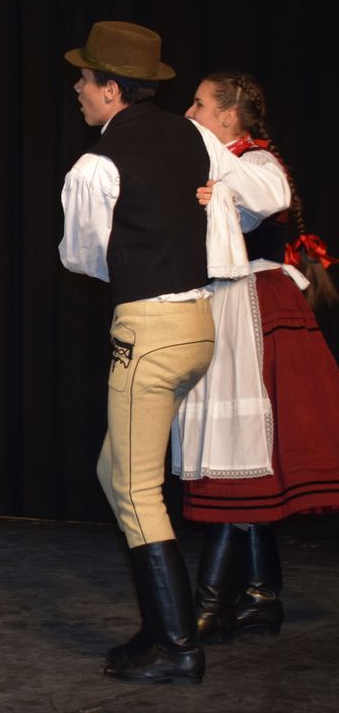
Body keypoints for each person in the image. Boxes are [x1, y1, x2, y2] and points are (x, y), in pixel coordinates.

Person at [59, 21, 290, 684]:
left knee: (136, 491)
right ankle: (161, 627)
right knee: (115, 471)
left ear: (111, 89)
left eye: (84, 79)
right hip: (198, 326)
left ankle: (180, 644)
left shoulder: (96, 165)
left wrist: (147, 249)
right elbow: (271, 193)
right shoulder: (193, 136)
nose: (78, 89)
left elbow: (83, 257)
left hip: (150, 329)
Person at [174, 72, 339, 644]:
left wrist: (215, 176)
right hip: (223, 305)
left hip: (254, 309)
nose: (190, 112)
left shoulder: (256, 162)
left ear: (227, 116)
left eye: (199, 103)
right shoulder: (221, 164)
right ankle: (261, 596)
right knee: (244, 458)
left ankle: (214, 603)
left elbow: (270, 199)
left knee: (240, 455)